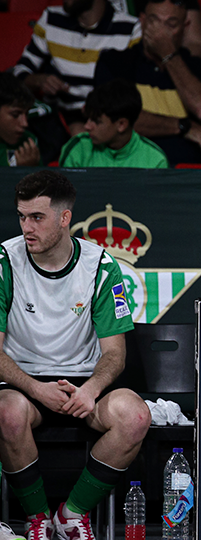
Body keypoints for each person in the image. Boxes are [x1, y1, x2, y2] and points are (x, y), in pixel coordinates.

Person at [0, 171, 150, 540]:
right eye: (22, 216)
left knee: (135, 417)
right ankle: (38, 519)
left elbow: (115, 353)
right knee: (6, 412)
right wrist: (36, 388)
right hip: (23, 382)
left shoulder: (100, 266)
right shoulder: (4, 260)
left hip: (83, 384)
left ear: (65, 218)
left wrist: (92, 389)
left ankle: (71, 514)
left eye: (37, 218)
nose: (26, 228)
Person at [94, 0, 201, 166]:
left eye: (171, 24)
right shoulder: (114, 62)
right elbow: (116, 119)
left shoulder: (200, 68)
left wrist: (168, 55)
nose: (160, 32)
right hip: (127, 168)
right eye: (154, 21)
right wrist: (183, 126)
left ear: (185, 25)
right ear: (143, 20)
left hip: (184, 173)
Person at [12, 0, 141, 136]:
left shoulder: (130, 29)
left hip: (105, 118)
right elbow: (18, 72)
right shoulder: (51, 18)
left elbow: (133, 96)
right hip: (58, 118)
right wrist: (38, 80)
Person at [60, 79, 169, 168]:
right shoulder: (77, 149)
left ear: (121, 124)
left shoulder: (155, 160)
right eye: (88, 119)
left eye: (96, 121)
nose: (86, 126)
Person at [110, 0, 201, 58]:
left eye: (171, 23)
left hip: (172, 70)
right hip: (126, 63)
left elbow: (196, 44)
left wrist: (168, 57)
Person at [0, 74, 41, 168]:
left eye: (26, 114)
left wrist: (30, 170)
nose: (25, 123)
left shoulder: (28, 143)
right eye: (15, 115)